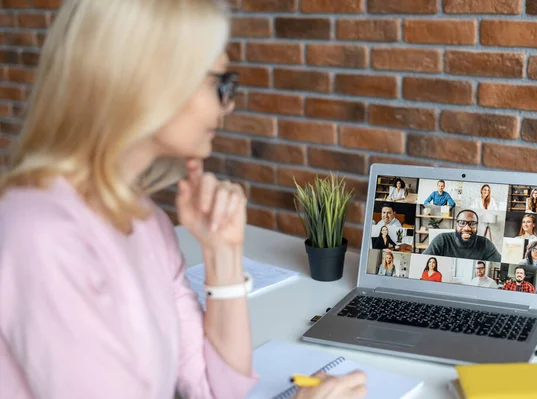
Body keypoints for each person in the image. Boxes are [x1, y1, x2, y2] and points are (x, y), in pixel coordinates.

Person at [0, 1, 366, 398]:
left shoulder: (145, 221)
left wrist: (223, 252)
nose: (229, 103)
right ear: (152, 82)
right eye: (220, 83)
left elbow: (214, 388)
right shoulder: (40, 234)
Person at [423, 210, 501, 262]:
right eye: (462, 223)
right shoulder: (442, 240)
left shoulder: (485, 244)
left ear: (477, 226)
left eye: (472, 224)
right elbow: (423, 262)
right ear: (455, 225)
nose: (467, 228)